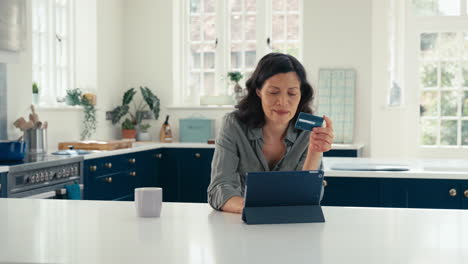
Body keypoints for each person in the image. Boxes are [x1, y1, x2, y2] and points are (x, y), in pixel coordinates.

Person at [207, 53, 334, 214]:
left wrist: (315, 153)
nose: (282, 101)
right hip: (243, 226)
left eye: (292, 93)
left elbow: (309, 198)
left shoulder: (309, 131)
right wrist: (254, 209)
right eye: (274, 92)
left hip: (291, 229)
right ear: (259, 91)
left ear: (301, 94)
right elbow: (219, 188)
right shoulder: (233, 125)